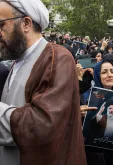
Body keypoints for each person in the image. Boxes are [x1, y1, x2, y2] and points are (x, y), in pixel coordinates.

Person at [0, 1, 86, 165]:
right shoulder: (16, 63)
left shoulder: (57, 58)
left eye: (1, 24)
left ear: (26, 23)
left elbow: (41, 125)